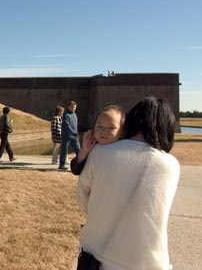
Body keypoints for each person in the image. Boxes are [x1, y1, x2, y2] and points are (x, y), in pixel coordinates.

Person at [75, 96, 180, 270]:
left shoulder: (100, 152)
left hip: (96, 257)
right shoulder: (171, 165)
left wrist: (102, 211)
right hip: (147, 261)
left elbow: (82, 198)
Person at [70, 105, 125, 175]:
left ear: (122, 132)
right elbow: (75, 170)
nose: (103, 132)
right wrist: (84, 152)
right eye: (99, 126)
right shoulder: (92, 147)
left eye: (111, 128)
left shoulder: (124, 149)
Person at [59, 101, 80, 170]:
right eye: (72, 107)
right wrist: (74, 133)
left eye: (75, 107)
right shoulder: (66, 115)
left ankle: (81, 164)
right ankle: (61, 165)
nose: (74, 108)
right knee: (64, 151)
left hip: (74, 136)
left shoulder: (75, 114)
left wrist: (75, 133)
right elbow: (67, 126)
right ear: (68, 107)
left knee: (79, 150)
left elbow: (75, 126)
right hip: (66, 136)